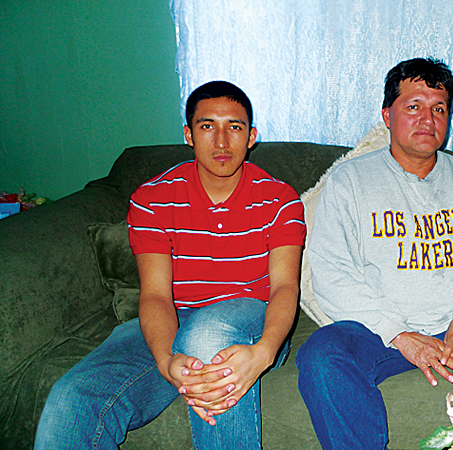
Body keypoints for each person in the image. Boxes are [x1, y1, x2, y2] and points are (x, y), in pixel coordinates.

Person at [35, 81, 305, 449]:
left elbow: (285, 288)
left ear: (252, 136)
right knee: (73, 398)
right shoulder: (152, 200)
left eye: (235, 127)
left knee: (207, 336)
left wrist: (264, 352)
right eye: (207, 126)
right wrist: (166, 361)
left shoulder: (281, 200)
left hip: (252, 319)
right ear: (188, 135)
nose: (222, 142)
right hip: (174, 317)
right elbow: (157, 295)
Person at [295, 57, 453, 450]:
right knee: (321, 354)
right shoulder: (350, 182)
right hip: (379, 333)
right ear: (387, 114)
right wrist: (400, 333)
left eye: (439, 109)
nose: (428, 120)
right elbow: (331, 273)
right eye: (413, 106)